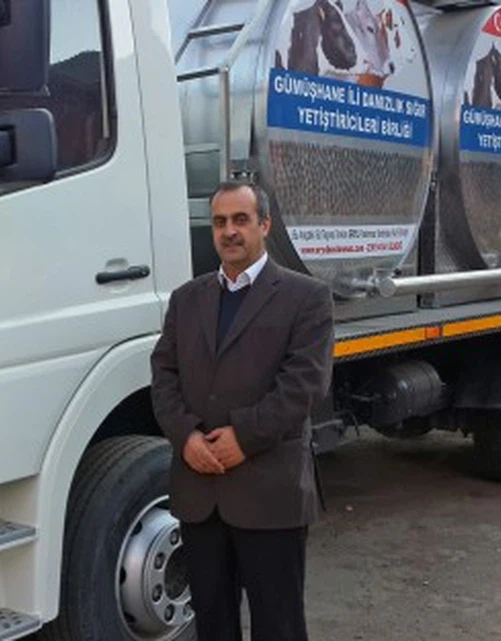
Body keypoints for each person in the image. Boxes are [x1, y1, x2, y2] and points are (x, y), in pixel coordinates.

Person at [150, 180, 334, 641]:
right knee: (212, 623)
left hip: (270, 492)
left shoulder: (306, 297)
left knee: (279, 624)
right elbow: (164, 374)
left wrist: (243, 437)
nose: (229, 231)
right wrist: (186, 437)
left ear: (264, 225)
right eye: (219, 222)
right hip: (200, 492)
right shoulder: (186, 299)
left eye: (240, 220)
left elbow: (304, 385)